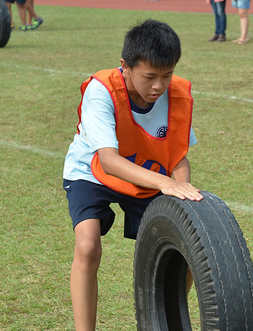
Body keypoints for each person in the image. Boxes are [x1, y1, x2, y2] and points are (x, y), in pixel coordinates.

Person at [63, 19, 202, 331]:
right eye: (149, 77)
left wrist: (182, 189)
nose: (158, 86)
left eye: (166, 76)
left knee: (191, 244)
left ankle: (163, 318)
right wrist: (165, 182)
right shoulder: (101, 91)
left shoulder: (174, 94)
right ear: (124, 66)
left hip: (145, 175)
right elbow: (108, 161)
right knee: (87, 246)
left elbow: (178, 156)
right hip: (92, 171)